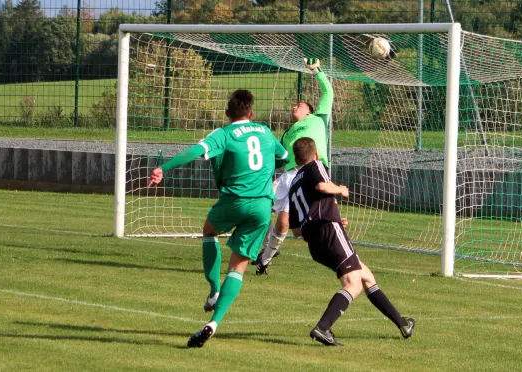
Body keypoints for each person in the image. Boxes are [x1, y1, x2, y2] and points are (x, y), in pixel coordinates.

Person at [148, 89, 289, 348]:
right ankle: (214, 322)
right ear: (251, 112)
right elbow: (284, 158)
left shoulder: (224, 134)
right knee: (238, 267)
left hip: (233, 201)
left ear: (227, 113)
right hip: (261, 205)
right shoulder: (266, 131)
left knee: (209, 231)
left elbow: (193, 152)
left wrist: (162, 168)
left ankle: (213, 290)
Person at [287, 137, 414, 346]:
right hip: (328, 231)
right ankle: (323, 327)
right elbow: (322, 185)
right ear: (315, 154)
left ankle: (403, 323)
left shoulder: (293, 183)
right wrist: (340, 190)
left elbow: (295, 230)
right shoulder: (315, 165)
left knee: (366, 276)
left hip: (315, 242)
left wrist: (331, 220)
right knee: (353, 283)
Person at [255, 57, 333, 275]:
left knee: (286, 225)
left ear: (309, 110)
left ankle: (265, 260)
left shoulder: (318, 119)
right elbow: (278, 158)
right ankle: (268, 249)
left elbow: (328, 93)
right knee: (255, 205)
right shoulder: (288, 134)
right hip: (289, 175)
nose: (294, 105)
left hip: (310, 172)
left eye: (299, 104)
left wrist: (316, 71)